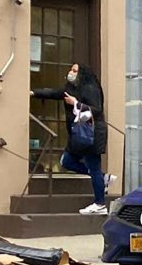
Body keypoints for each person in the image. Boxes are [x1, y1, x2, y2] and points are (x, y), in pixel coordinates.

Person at [32, 62, 111, 214]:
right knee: (67, 161)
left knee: (94, 166)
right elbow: (56, 93)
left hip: (92, 133)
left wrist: (76, 103)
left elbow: (97, 109)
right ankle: (103, 178)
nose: (71, 72)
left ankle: (100, 203)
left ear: (81, 74)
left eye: (74, 70)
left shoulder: (90, 88)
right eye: (71, 70)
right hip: (78, 134)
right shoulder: (72, 88)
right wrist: (34, 93)